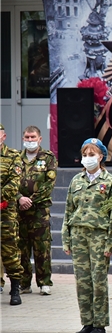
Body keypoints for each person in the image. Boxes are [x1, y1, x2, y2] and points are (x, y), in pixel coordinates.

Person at [62, 138, 112, 333]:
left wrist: (110, 243)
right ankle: (86, 322)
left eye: (92, 155)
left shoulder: (110, 181)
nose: (88, 159)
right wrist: (66, 239)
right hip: (78, 235)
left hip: (99, 235)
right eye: (85, 155)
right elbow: (68, 210)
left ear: (101, 156)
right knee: (83, 281)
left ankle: (100, 324)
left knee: (98, 281)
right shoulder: (76, 181)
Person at [17, 126, 57, 295]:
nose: (30, 140)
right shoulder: (16, 158)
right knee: (22, 248)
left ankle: (44, 282)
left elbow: (49, 184)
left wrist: (30, 201)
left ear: (40, 139)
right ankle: (24, 283)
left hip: (39, 210)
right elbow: (8, 181)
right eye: (27, 137)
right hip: (19, 211)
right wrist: (19, 198)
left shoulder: (48, 158)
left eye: (33, 137)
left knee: (42, 248)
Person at [0, 124, 24, 305]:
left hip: (5, 213)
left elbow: (14, 184)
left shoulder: (14, 156)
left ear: (4, 136)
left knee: (10, 251)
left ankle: (15, 287)